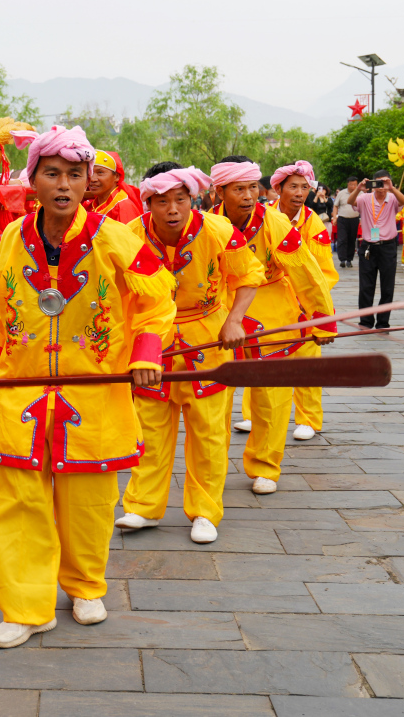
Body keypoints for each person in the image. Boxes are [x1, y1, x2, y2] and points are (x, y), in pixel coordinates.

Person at [0, 125, 175, 649]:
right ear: (32, 179)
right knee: (18, 499)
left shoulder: (118, 238)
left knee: (89, 497)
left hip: (95, 388)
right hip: (25, 388)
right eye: (53, 174)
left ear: (90, 184)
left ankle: (85, 584)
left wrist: (147, 354)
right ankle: (26, 605)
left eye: (75, 175)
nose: (64, 185)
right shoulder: (12, 238)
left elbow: (157, 301)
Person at [116, 162, 262, 545]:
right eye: (162, 202)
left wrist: (234, 322)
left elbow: (248, 277)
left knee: (209, 433)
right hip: (152, 341)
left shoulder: (219, 231)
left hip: (207, 339)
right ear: (148, 202)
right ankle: (143, 507)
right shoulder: (130, 235)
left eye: (180, 199)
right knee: (148, 428)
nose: (172, 210)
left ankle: (205, 511)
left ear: (193, 198)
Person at [215, 156, 335, 495]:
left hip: (274, 313)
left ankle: (265, 465)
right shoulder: (206, 224)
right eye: (239, 189)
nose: (249, 195)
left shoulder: (275, 222)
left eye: (253, 187)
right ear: (220, 190)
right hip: (221, 313)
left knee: (273, 399)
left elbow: (307, 272)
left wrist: (322, 319)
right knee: (214, 402)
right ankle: (212, 467)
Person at [270, 161, 339, 441]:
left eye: (304, 187)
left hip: (303, 303)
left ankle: (309, 418)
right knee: (264, 357)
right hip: (270, 300)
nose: (299, 193)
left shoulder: (313, 224)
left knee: (308, 359)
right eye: (293, 187)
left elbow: (324, 272)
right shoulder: (263, 217)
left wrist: (307, 300)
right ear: (278, 189)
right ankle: (252, 415)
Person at [345, 171, 404, 329]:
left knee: (387, 286)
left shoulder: (392, 198)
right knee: (366, 285)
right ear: (372, 183)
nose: (381, 187)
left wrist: (392, 188)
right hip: (368, 246)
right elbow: (350, 201)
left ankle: (383, 322)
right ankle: (365, 321)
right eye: (378, 183)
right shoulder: (365, 198)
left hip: (387, 246)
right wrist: (359, 188)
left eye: (384, 183)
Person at [86, 149, 142, 223]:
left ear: (117, 176)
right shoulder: (94, 203)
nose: (92, 179)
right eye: (90, 172)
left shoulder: (123, 207)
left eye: (100, 172)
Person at [333, 177, 360, 269]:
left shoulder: (360, 193)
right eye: (351, 184)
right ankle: (342, 260)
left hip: (354, 219)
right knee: (342, 239)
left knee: (352, 239)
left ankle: (349, 260)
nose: (353, 186)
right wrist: (334, 218)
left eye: (354, 185)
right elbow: (335, 206)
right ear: (347, 184)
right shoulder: (341, 193)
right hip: (342, 219)